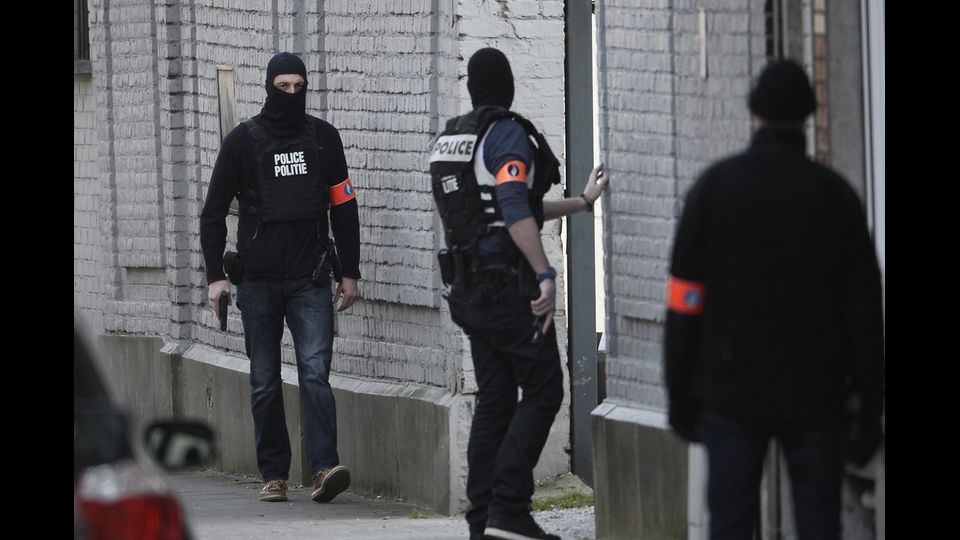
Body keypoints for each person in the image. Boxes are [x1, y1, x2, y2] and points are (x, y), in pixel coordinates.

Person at [663, 59, 884, 540]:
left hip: (729, 392)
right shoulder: (837, 199)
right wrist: (870, 406)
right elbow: (865, 311)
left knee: (733, 523)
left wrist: (678, 390)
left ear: (754, 110)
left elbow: (684, 302)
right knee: (819, 523)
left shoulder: (713, 192)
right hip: (817, 394)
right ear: (808, 113)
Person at [430, 47, 608, 540]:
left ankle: (483, 520)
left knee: (496, 399)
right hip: (508, 291)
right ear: (507, 85)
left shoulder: (452, 139)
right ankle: (509, 508)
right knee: (546, 388)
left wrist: (581, 203)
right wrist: (544, 272)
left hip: (468, 293)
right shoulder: (506, 132)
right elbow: (512, 207)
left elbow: (507, 208)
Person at [200, 52, 361, 504]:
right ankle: (274, 474)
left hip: (311, 279)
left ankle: (324, 467)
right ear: (269, 86)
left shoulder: (325, 139)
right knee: (266, 380)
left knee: (315, 376)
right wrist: (216, 277)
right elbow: (213, 214)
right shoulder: (242, 142)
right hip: (257, 283)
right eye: (283, 86)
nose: (291, 94)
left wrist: (349, 272)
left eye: (298, 86)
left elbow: (344, 209)